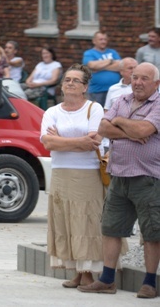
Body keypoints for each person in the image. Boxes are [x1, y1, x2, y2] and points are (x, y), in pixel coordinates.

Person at [79, 62, 160, 298]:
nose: (138, 82)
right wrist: (129, 130)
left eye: (144, 78)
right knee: (111, 229)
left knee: (152, 232)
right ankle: (106, 279)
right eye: (135, 77)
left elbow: (144, 130)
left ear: (156, 84)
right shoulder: (121, 100)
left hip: (148, 178)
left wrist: (120, 122)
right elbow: (103, 127)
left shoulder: (158, 103)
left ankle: (149, 282)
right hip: (118, 175)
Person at [41, 64, 115, 289]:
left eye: (75, 80)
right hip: (61, 171)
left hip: (87, 173)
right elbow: (47, 142)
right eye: (67, 80)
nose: (70, 83)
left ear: (85, 86)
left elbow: (92, 143)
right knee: (66, 222)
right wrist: (76, 141)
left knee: (87, 223)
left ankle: (89, 273)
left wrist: (61, 140)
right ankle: (76, 271)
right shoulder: (52, 112)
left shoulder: (94, 109)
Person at [82, 31, 122, 107]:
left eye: (105, 39)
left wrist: (99, 66)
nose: (103, 41)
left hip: (114, 90)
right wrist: (111, 61)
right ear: (94, 41)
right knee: (96, 112)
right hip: (97, 91)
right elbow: (91, 65)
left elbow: (120, 66)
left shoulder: (112, 52)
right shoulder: (89, 53)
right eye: (100, 39)